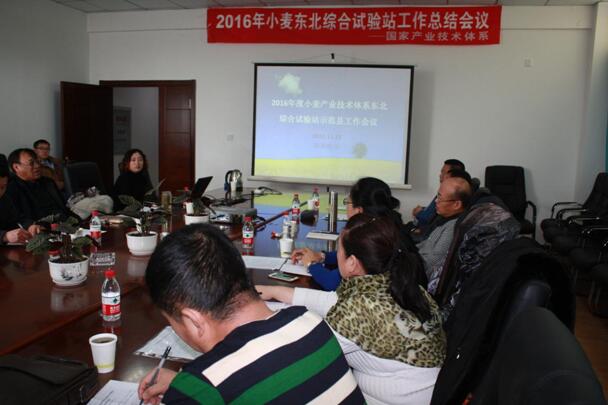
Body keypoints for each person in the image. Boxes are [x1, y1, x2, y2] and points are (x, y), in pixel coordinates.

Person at [138, 224, 365, 405]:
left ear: (193, 321)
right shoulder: (311, 322)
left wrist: (190, 389)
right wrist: (191, 385)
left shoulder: (200, 391)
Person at [258, 214, 446, 405]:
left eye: (339, 250)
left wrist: (263, 315)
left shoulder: (361, 308)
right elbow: (332, 301)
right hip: (425, 390)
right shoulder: (398, 284)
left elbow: (305, 354)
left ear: (352, 263)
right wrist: (275, 291)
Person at [291, 177, 419, 291]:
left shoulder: (371, 237)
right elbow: (351, 256)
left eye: (348, 202)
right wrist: (322, 256)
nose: (347, 207)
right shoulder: (387, 226)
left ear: (359, 210)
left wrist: (311, 264)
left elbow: (333, 282)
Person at [417, 176, 472, 294]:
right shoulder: (445, 218)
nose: (436, 201)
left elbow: (430, 264)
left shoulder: (452, 228)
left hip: (419, 279)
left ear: (456, 204)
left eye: (440, 198)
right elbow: (426, 244)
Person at [6, 148, 69, 226]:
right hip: (39, 229)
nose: (37, 166)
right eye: (31, 163)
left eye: (38, 161)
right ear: (16, 167)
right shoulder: (10, 189)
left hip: (65, 223)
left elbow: (64, 208)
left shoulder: (48, 182)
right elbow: (19, 219)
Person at [411, 159, 466, 227]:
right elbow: (432, 210)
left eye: (443, 172)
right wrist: (422, 210)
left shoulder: (450, 193)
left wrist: (418, 213)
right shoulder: (445, 192)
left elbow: (425, 218)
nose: (440, 175)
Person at [0, 165, 38, 244]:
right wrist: (4, 236)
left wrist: (30, 226)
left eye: (3, 187)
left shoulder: (5, 199)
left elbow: (17, 219)